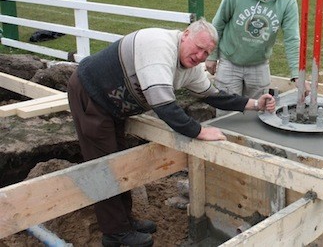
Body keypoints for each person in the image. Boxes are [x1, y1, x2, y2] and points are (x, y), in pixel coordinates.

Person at [67, 18, 275, 247]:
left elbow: (215, 96)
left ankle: (125, 222)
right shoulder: (160, 46)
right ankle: (115, 234)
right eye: (198, 48)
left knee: (116, 161)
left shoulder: (191, 68)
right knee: (103, 167)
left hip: (113, 106)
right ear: (185, 35)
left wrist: (255, 104)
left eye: (207, 53)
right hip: (91, 94)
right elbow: (163, 104)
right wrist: (198, 131)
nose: (200, 57)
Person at [205, 0, 308, 99]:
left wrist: (296, 74)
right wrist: (212, 55)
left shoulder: (287, 0)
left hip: (259, 64)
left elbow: (292, 38)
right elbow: (218, 24)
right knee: (227, 113)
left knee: (258, 113)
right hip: (230, 62)